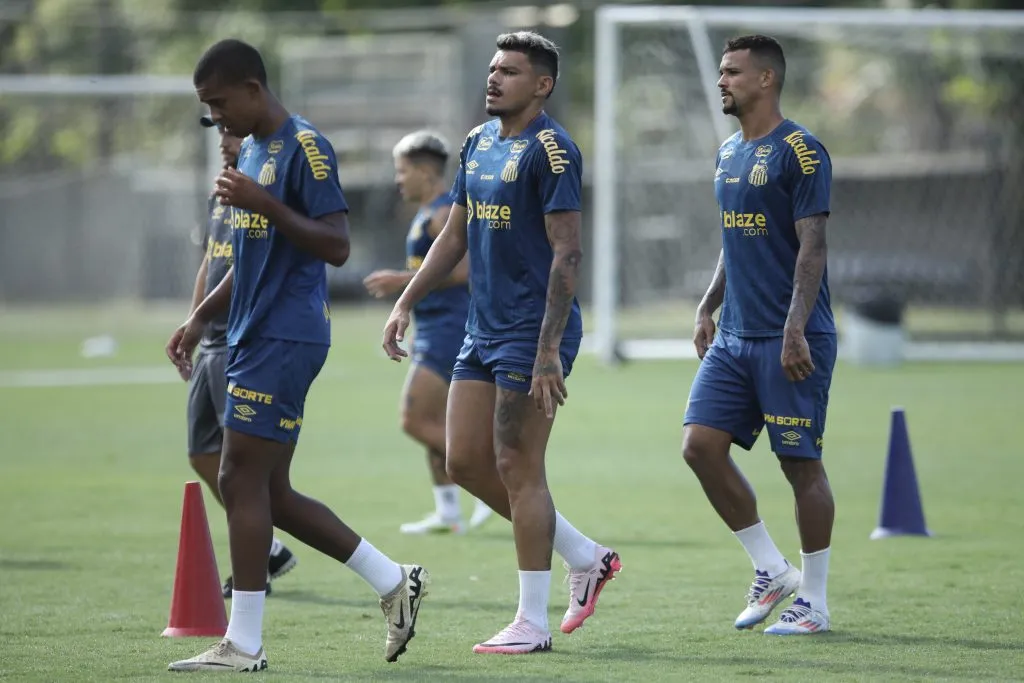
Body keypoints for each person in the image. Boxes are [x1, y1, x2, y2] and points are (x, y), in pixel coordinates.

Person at [165, 38, 429, 672]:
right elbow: (253, 255)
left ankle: (244, 643)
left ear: (253, 88)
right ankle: (393, 579)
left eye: (219, 103)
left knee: (237, 478)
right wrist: (200, 317)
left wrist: (265, 204)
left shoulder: (306, 146)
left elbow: (336, 245)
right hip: (253, 331)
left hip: (286, 332)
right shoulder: (253, 149)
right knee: (270, 491)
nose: (216, 118)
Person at [382, 31, 621, 655]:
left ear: (542, 85)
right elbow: (453, 237)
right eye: (493, 68)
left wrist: (548, 351)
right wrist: (406, 300)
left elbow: (568, 254)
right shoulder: (477, 142)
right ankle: (584, 556)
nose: (494, 78)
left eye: (510, 71)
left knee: (519, 466)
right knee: (463, 462)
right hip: (480, 329)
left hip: (531, 332)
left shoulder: (553, 150)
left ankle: (531, 623)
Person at [682, 34, 835, 636]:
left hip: (790, 337)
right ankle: (771, 569)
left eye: (733, 72)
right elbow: (736, 237)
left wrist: (795, 328)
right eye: (721, 71)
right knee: (699, 447)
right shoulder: (727, 153)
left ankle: (814, 602)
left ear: (766, 79)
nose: (721, 81)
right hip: (735, 337)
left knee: (800, 465)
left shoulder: (802, 150)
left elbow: (812, 246)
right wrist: (708, 304)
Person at [177, 118, 297, 599]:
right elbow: (212, 258)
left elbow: (256, 264)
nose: (225, 142)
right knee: (202, 453)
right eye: (221, 134)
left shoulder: (264, 192)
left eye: (233, 132)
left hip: (243, 340)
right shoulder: (221, 195)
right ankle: (269, 551)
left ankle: (254, 569)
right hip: (211, 340)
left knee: (243, 468)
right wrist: (194, 322)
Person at [363, 130, 492, 535]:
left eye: (402, 171)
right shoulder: (426, 214)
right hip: (432, 326)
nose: (398, 180)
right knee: (434, 421)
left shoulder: (444, 213)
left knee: (415, 419)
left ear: (424, 171)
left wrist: (400, 281)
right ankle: (448, 512)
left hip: (450, 328)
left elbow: (462, 271)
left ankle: (491, 475)